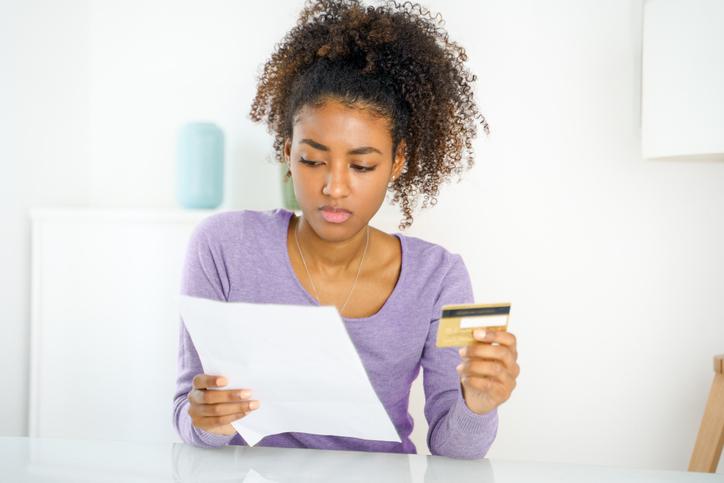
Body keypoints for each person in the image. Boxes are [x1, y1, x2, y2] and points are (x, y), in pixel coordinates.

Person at [173, 0, 519, 459]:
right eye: (313, 160)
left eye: (361, 164)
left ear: (397, 161)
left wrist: (479, 404)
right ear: (287, 151)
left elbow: (453, 452)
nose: (334, 187)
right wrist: (206, 419)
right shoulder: (223, 247)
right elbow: (187, 414)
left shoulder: (437, 278)